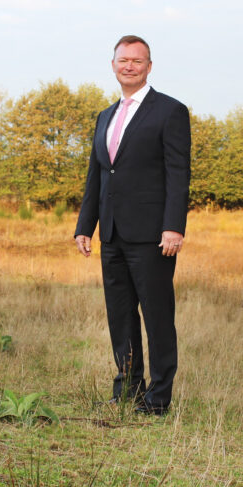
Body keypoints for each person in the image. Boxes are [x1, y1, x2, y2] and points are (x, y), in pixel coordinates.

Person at [74, 35, 191, 416]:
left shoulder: (170, 111)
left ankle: (158, 398)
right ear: (113, 65)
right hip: (111, 234)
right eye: (123, 60)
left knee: (157, 316)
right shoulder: (104, 117)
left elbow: (178, 173)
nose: (129, 66)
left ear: (149, 66)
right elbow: (98, 176)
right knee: (120, 314)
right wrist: (84, 226)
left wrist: (173, 226)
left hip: (154, 236)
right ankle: (127, 389)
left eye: (137, 61)